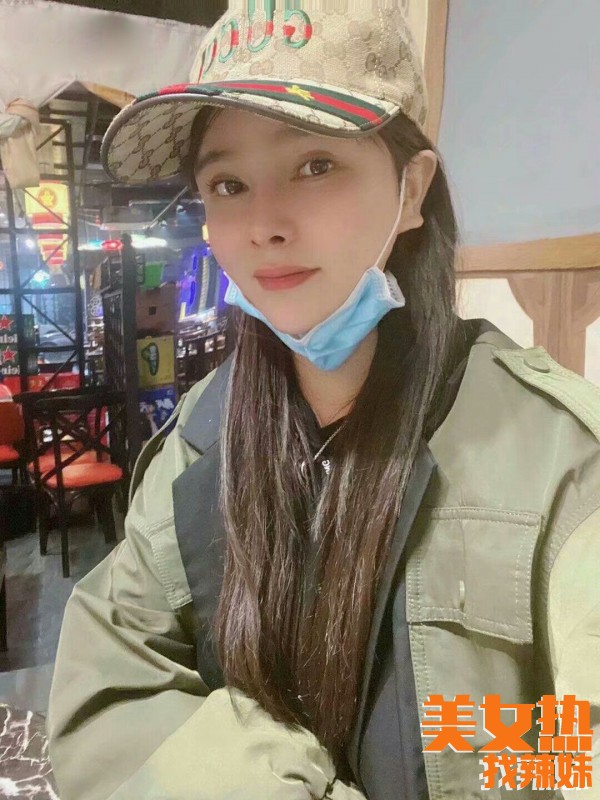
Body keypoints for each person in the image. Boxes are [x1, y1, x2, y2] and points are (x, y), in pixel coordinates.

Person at [47, 2, 600, 799]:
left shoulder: (557, 462)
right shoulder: (202, 440)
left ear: (411, 189)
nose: (264, 223)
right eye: (228, 183)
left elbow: (572, 751)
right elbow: (110, 685)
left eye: (315, 165)